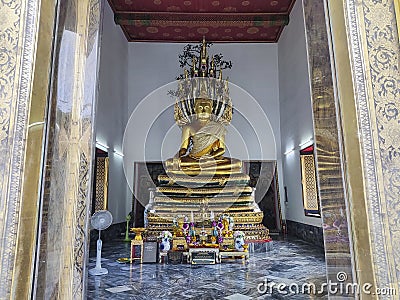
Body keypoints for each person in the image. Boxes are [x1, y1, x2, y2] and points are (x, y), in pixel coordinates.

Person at [165, 98, 241, 175]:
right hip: (193, 159)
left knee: (237, 164)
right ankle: (207, 172)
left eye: (207, 108)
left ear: (211, 109)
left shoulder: (218, 127)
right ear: (195, 109)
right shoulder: (188, 127)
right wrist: (177, 156)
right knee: (169, 163)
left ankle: (193, 172)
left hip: (212, 159)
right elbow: (184, 148)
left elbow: (222, 149)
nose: (203, 111)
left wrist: (210, 157)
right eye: (200, 108)